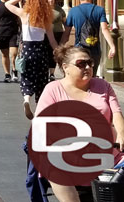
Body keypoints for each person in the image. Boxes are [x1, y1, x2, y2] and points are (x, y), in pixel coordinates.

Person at [36, 44, 124, 201]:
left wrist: (122, 134)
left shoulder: (102, 86)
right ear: (65, 67)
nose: (88, 67)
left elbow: (117, 114)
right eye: (81, 64)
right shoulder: (53, 89)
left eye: (90, 63)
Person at [5, 0, 58, 120]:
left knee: (26, 77)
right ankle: (39, 107)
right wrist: (59, 52)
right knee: (41, 80)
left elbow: (7, 4)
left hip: (27, 50)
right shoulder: (45, 19)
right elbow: (52, 41)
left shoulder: (24, 14)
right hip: (40, 51)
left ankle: (26, 99)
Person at [60, 0, 117, 76]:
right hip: (95, 49)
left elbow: (66, 34)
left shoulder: (73, 11)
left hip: (79, 48)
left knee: (80, 75)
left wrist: (59, 47)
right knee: (92, 76)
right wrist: (112, 46)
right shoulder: (99, 10)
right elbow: (104, 29)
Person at [46, 0, 66, 82]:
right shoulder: (44, 9)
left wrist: (66, 33)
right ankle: (45, 71)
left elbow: (65, 21)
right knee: (47, 53)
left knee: (55, 53)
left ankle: (52, 73)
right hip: (46, 35)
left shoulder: (59, 10)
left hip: (58, 33)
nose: (51, 1)